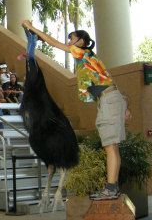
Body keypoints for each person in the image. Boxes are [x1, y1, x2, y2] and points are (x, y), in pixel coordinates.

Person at [22, 20, 131, 200]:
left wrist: (32, 28)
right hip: (112, 99)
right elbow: (110, 81)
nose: (69, 41)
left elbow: (53, 43)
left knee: (110, 147)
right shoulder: (91, 58)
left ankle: (111, 189)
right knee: (113, 147)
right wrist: (124, 105)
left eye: (71, 38)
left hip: (109, 100)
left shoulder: (82, 53)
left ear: (80, 41)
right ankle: (113, 187)